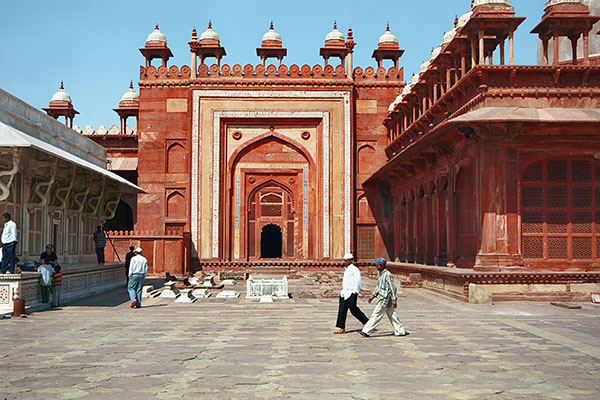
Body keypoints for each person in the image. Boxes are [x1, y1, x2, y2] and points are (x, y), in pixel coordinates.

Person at [360, 258, 407, 337]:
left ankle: (366, 331)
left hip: (384, 299)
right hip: (384, 299)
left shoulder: (387, 274)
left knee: (376, 315)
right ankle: (400, 331)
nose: (377, 267)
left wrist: (394, 300)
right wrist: (372, 296)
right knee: (392, 315)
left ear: (382, 266)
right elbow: (378, 287)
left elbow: (392, 288)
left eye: (378, 266)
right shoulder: (381, 274)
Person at [334, 252, 369, 334]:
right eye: (344, 260)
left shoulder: (355, 269)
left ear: (351, 260)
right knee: (342, 310)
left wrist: (355, 291)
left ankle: (367, 323)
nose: (345, 262)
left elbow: (358, 281)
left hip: (352, 292)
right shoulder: (346, 269)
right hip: (344, 292)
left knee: (354, 310)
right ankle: (341, 327)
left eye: (346, 261)